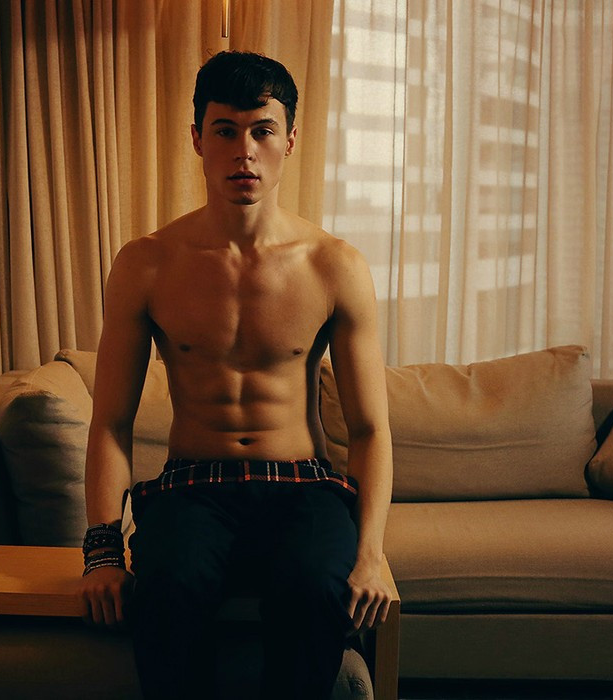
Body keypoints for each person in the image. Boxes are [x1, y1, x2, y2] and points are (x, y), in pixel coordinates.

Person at [77, 51, 394, 699]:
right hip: (193, 488)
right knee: (168, 586)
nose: (244, 151)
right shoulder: (147, 263)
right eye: (225, 130)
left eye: (262, 130)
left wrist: (371, 551)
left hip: (303, 488)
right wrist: (103, 552)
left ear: (290, 140)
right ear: (198, 138)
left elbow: (369, 428)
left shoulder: (334, 265)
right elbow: (110, 422)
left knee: (315, 587)